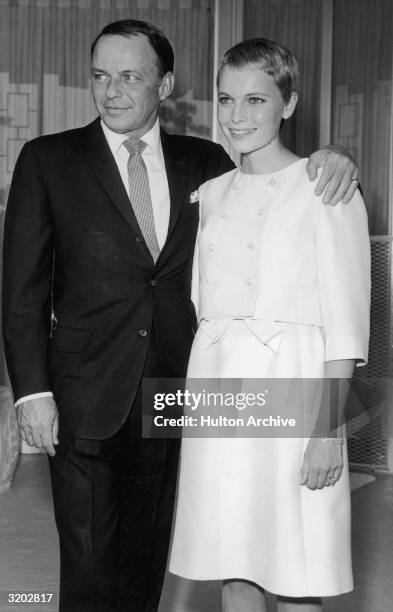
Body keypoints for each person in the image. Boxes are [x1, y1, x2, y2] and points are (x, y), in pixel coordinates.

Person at [2, 18, 359, 612]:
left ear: (165, 85)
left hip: (178, 399)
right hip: (88, 394)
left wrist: (337, 155)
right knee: (94, 569)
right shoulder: (48, 160)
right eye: (100, 76)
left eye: (131, 76)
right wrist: (29, 393)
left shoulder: (208, 166)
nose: (112, 90)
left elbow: (284, 184)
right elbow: (21, 290)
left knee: (200, 561)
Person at [169, 38, 370, 612]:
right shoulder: (208, 195)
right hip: (219, 395)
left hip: (297, 394)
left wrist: (328, 431)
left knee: (296, 573)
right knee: (233, 565)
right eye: (226, 99)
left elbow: (347, 325)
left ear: (289, 103)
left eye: (255, 100)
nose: (237, 116)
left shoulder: (326, 187)